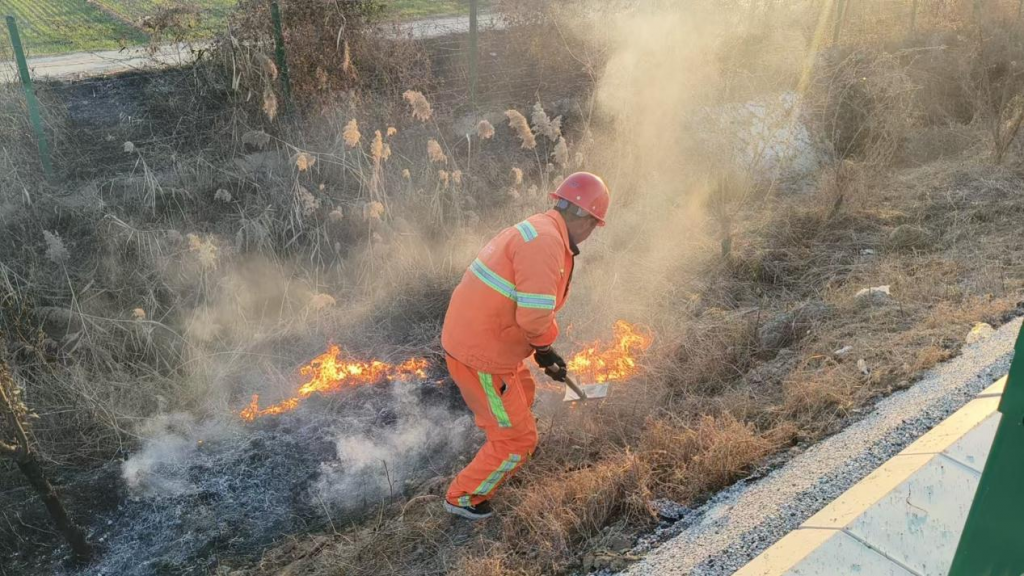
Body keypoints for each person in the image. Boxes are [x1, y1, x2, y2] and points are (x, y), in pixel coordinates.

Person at [440, 172, 611, 520]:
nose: (591, 233)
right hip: (482, 355)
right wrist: (545, 350)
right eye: (594, 226)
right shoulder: (546, 243)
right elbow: (534, 317)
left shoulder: (541, 229)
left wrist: (542, 350)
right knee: (518, 440)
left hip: (491, 339)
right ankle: (463, 496)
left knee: (525, 390)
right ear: (587, 220)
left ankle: (510, 441)